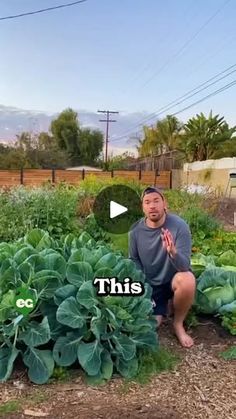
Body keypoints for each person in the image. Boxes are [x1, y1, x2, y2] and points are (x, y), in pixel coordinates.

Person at [128, 186, 196, 348]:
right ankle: (164, 306)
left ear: (164, 203)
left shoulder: (179, 226)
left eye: (156, 201)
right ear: (143, 207)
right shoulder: (135, 231)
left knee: (187, 280)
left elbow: (184, 265)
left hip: (173, 280)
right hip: (152, 286)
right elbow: (134, 260)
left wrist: (173, 252)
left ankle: (178, 324)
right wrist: (144, 289)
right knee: (154, 324)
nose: (152, 205)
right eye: (147, 202)